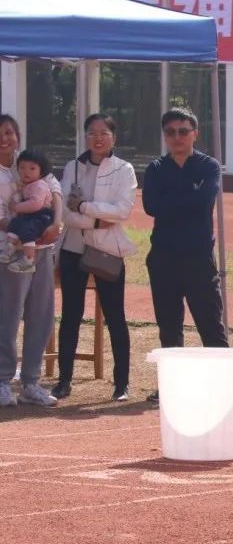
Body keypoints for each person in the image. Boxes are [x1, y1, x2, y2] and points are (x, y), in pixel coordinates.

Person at [142, 106, 228, 404]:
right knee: (169, 326)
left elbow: (204, 201)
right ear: (164, 136)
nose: (177, 137)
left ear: (195, 134)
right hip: (163, 257)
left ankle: (222, 384)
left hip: (198, 257)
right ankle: (171, 386)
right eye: (170, 132)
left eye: (183, 131)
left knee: (210, 322)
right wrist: (187, 198)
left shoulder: (208, 166)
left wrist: (172, 200)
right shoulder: (156, 168)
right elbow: (151, 207)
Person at [53, 113, 137, 402]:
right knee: (71, 315)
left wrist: (85, 207)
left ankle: (121, 384)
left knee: (115, 316)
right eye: (92, 132)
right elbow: (65, 214)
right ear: (85, 136)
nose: (97, 138)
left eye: (104, 133)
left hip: (107, 251)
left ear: (114, 137)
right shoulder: (73, 167)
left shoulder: (124, 169)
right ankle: (64, 381)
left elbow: (122, 211)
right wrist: (99, 220)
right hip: (73, 249)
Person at [0, 113, 63, 407]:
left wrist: (55, 223)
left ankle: (31, 382)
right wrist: (23, 229)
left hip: (43, 250)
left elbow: (55, 190)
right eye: (0, 133)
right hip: (10, 251)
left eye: (9, 132)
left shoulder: (28, 162)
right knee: (9, 315)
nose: (4, 138)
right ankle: (3, 380)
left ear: (18, 136)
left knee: (41, 313)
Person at [0, 149, 55, 273]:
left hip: (42, 215)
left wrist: (16, 207)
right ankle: (10, 248)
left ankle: (28, 260)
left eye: (32, 168)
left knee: (27, 229)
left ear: (41, 172)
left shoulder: (40, 185)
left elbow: (35, 204)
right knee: (15, 223)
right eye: (22, 168)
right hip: (30, 215)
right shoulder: (27, 185)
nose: (26, 172)